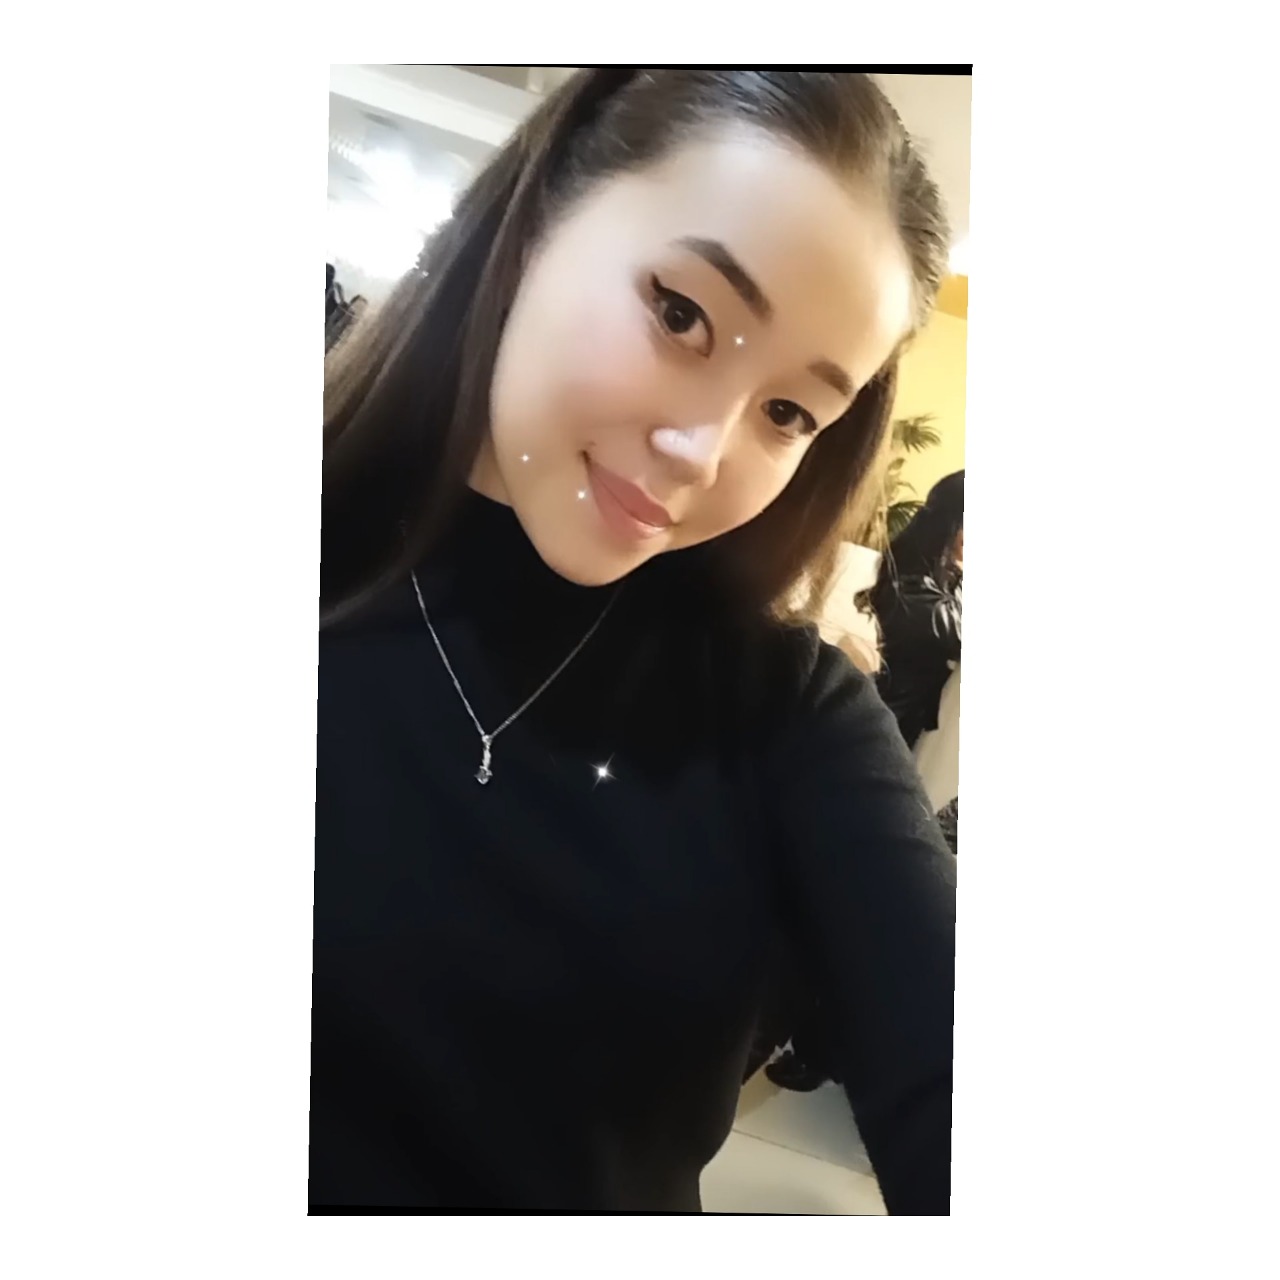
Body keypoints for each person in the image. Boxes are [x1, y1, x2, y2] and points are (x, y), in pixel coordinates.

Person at [314, 69, 956, 1215]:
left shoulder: (789, 719)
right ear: (532, 227)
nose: (700, 449)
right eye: (680, 314)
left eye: (787, 412)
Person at [767, 473, 964, 1094]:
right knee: (843, 910)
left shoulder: (946, 580)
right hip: (883, 754)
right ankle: (808, 1044)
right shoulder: (911, 583)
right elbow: (943, 632)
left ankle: (820, 1045)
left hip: (916, 760)